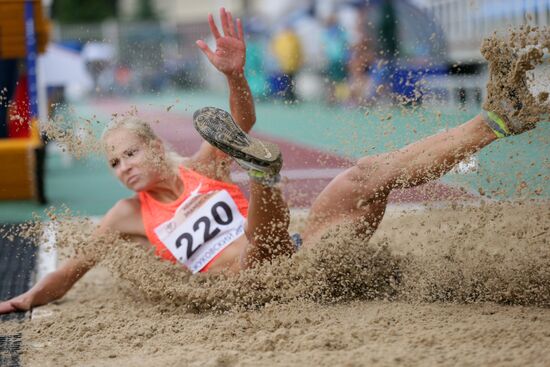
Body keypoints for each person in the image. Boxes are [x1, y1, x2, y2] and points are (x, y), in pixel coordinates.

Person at [0, 8, 544, 314]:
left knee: (365, 176)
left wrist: (236, 75)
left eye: (130, 153)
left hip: (304, 258)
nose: (123, 167)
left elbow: (242, 117)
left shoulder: (202, 165)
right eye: (114, 162)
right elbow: (69, 272)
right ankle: (265, 174)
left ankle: (494, 120)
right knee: (253, 250)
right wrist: (23, 299)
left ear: (156, 147)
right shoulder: (125, 215)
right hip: (255, 281)